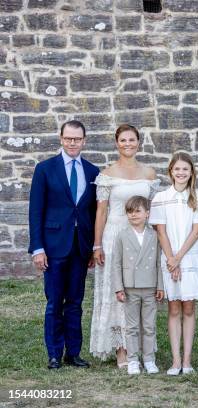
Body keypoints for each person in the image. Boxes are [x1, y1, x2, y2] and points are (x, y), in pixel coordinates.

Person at [28, 120, 99, 369]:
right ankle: (55, 354)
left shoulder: (92, 171)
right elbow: (35, 211)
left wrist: (92, 247)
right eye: (68, 138)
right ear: (60, 138)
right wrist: (37, 248)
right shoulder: (45, 169)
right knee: (54, 302)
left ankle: (74, 352)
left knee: (76, 303)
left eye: (77, 139)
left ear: (84, 141)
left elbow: (91, 212)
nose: (72, 143)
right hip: (53, 247)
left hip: (80, 248)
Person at [90, 124, 160, 366]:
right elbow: (101, 212)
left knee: (140, 288)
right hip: (114, 233)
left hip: (142, 236)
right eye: (123, 140)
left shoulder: (149, 173)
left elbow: (154, 210)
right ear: (116, 143)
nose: (128, 144)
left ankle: (143, 346)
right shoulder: (107, 174)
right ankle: (122, 349)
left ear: (139, 142)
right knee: (118, 290)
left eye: (132, 140)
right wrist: (97, 245)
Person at [149, 152, 198, 375]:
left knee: (188, 307)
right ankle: (175, 361)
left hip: (189, 257)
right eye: (177, 169)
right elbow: (161, 231)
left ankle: (187, 360)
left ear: (191, 172)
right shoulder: (161, 198)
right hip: (169, 258)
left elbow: (197, 231)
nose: (181, 173)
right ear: (171, 172)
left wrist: (179, 258)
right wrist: (171, 260)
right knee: (173, 308)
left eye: (185, 169)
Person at [111, 196, 164, 375]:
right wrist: (119, 288)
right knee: (132, 326)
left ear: (147, 213)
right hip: (130, 287)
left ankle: (149, 359)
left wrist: (160, 286)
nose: (133, 215)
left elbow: (158, 262)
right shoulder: (122, 235)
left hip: (150, 286)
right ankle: (133, 359)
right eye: (130, 212)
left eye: (137, 211)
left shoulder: (154, 235)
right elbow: (116, 263)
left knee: (149, 326)